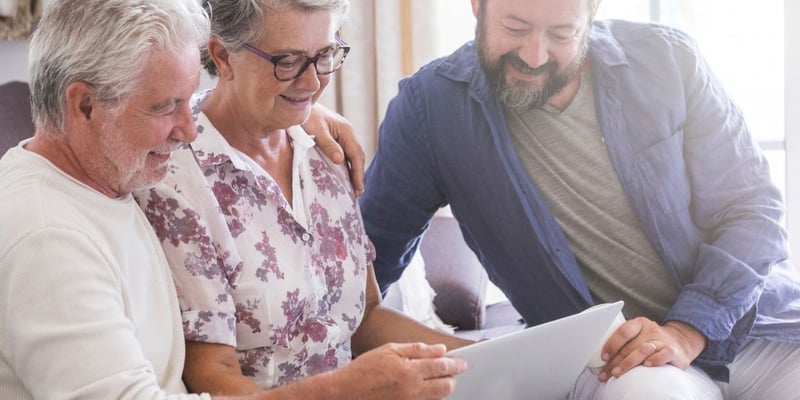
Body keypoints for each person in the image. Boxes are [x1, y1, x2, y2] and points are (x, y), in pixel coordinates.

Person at [0, 0, 465, 399]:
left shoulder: (111, 178)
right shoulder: (49, 237)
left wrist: (295, 108)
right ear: (83, 107)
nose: (188, 131)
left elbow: (362, 315)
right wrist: (344, 390)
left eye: (323, 55)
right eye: (166, 107)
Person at [359, 0, 800, 398]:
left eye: (562, 34)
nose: (534, 55)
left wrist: (686, 331)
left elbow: (753, 211)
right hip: (615, 360)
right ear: (478, 6)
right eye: (515, 27)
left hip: (757, 326)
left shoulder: (670, 59)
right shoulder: (429, 110)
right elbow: (359, 274)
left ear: (591, 13)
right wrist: (301, 117)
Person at [134, 0, 470, 398]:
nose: (312, 83)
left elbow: (364, 318)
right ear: (223, 56)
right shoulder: (177, 179)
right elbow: (212, 376)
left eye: (325, 55)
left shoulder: (326, 150)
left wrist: (483, 355)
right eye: (288, 60)